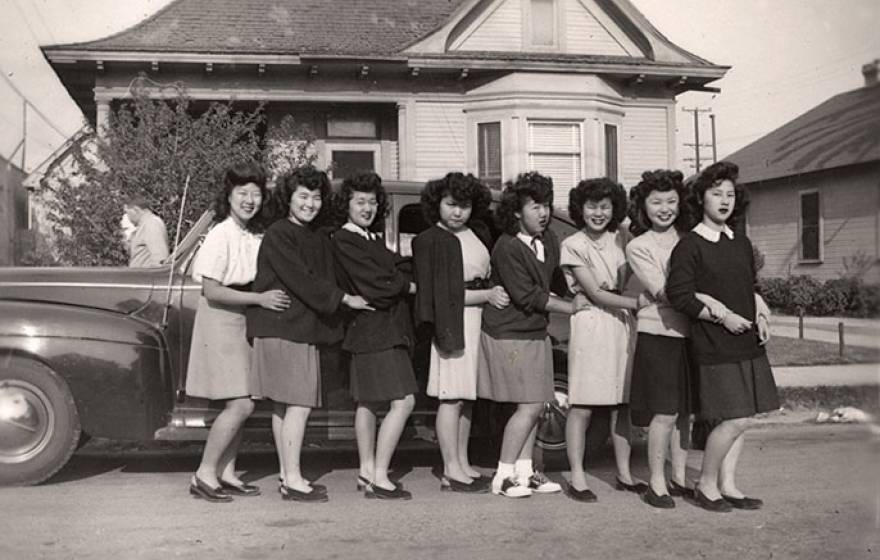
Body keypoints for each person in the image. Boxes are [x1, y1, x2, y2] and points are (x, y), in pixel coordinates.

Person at [247, 166, 373, 503]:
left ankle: (288, 475)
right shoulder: (280, 233)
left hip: (289, 328)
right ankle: (293, 479)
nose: (311, 203)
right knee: (299, 405)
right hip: (287, 329)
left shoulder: (317, 234)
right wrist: (345, 299)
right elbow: (302, 279)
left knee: (284, 408)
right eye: (303, 196)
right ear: (288, 198)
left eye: (317, 197)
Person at [667, 161, 778, 513]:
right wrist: (722, 316)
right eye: (716, 193)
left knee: (744, 417)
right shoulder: (690, 246)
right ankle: (706, 484)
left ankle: (728, 484)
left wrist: (759, 309)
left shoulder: (740, 242)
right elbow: (680, 295)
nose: (725, 200)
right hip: (714, 343)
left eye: (730, 194)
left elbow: (748, 285)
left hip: (747, 340)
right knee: (735, 417)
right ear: (701, 199)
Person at [186, 161, 291, 502]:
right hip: (221, 318)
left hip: (242, 318)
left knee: (244, 400)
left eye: (256, 194)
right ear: (228, 196)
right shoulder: (221, 233)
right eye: (242, 193)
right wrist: (260, 298)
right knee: (241, 405)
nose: (249, 200)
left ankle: (227, 473)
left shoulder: (252, 233)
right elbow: (212, 290)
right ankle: (204, 473)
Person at [478, 172, 570, 498]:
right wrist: (572, 308)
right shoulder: (506, 246)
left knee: (536, 402)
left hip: (534, 331)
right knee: (529, 406)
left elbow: (555, 280)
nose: (543, 213)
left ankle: (525, 471)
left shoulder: (548, 241)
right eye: (534, 206)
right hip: (509, 333)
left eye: (546, 205)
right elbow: (527, 295)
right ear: (517, 211)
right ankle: (502, 476)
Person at [412, 172, 505, 493]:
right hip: (453, 321)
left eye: (463, 206)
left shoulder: (475, 232)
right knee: (451, 398)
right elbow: (440, 295)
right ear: (437, 204)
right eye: (451, 205)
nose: (457, 213)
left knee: (467, 398)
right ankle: (450, 468)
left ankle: (462, 461)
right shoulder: (429, 240)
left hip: (477, 319)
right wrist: (488, 295)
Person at [560, 177, 648, 503]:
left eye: (605, 206)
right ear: (580, 209)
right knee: (582, 404)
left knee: (621, 404)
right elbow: (595, 292)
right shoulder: (573, 244)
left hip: (622, 325)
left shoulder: (623, 237)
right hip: (592, 324)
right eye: (592, 206)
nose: (598, 213)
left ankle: (624, 473)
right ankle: (578, 477)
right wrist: (636, 304)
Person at [331, 173, 418, 501]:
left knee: (368, 402)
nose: (367, 208)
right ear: (347, 205)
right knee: (404, 401)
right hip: (376, 330)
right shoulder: (345, 239)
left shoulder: (369, 238)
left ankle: (367, 470)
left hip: (373, 330)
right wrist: (404, 285)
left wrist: (394, 277)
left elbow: (395, 269)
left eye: (372, 201)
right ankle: (380, 475)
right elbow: (377, 286)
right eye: (360, 202)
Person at [625, 169, 699, 509]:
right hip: (659, 332)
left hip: (692, 332)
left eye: (671, 201)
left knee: (685, 412)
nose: (665, 208)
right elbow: (664, 292)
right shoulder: (638, 246)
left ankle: (679, 478)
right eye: (656, 202)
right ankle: (656, 482)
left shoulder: (691, 237)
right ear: (644, 206)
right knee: (665, 412)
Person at [124, 195, 170, 267]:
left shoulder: (151, 223)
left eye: (127, 212)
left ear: (136, 210)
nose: (127, 217)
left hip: (147, 277)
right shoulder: (145, 225)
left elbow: (160, 259)